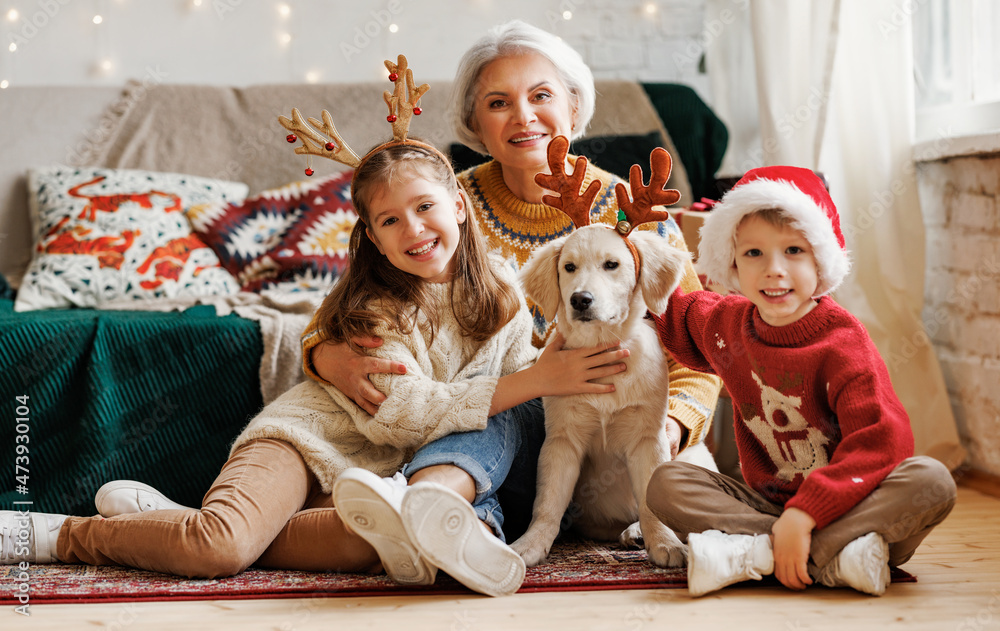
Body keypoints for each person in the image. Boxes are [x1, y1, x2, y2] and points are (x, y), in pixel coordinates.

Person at [0, 137, 630, 598]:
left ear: (459, 206)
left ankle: (161, 519)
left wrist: (551, 372)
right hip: (307, 442)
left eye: (425, 207)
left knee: (398, 537)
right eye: (389, 220)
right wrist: (537, 380)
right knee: (220, 546)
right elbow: (400, 415)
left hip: (377, 483)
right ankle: (60, 533)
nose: (413, 229)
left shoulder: (503, 291)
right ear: (373, 238)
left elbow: (510, 395)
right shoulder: (370, 307)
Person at [307, 19, 722, 539]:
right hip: (491, 426)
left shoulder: (632, 215)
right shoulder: (441, 207)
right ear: (475, 125)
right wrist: (326, 354)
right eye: (498, 102)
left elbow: (704, 348)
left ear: (573, 104)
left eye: (541, 95)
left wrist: (674, 423)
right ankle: (447, 519)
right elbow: (341, 309)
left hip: (614, 450)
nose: (523, 117)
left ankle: (446, 523)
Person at [645, 165, 957, 597]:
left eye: (793, 251)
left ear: (821, 260)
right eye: (754, 253)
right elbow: (673, 310)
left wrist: (807, 514)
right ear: (732, 261)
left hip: (855, 504)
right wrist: (627, 256)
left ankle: (760, 554)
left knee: (932, 481)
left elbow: (882, 441)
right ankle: (835, 559)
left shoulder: (843, 344)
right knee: (666, 483)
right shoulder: (728, 326)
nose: (773, 270)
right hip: (766, 506)